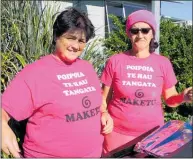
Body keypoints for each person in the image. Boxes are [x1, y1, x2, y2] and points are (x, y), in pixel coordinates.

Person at [1, 7, 113, 158]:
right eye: (71, 38)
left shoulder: (86, 68)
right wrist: (2, 128)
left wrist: (104, 113)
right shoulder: (35, 73)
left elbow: (96, 101)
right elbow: (4, 110)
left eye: (81, 41)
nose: (76, 45)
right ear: (56, 36)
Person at [100, 9, 192, 156]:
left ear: (152, 33)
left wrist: (183, 97)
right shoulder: (115, 61)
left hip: (152, 137)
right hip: (117, 135)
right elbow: (103, 98)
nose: (140, 35)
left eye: (145, 30)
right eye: (134, 31)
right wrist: (103, 113)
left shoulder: (163, 63)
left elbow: (170, 100)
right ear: (128, 34)